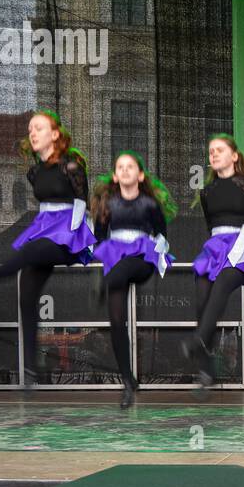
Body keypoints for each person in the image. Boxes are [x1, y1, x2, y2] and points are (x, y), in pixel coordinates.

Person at [0, 110, 95, 386]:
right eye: (30, 128)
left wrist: (73, 237)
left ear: (54, 135)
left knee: (30, 252)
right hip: (44, 226)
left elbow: (81, 202)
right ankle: (30, 370)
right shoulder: (34, 171)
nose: (32, 132)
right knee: (26, 295)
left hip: (66, 231)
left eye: (38, 127)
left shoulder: (71, 165)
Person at [185, 135, 244, 394]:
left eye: (220, 150)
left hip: (243, 248)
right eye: (211, 151)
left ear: (234, 156)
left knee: (222, 282)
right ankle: (206, 368)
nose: (214, 155)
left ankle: (198, 340)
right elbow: (211, 225)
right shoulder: (207, 191)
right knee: (201, 293)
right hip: (216, 246)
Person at [90, 152, 175, 409]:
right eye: (120, 167)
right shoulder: (108, 204)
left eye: (131, 166)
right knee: (116, 321)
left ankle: (104, 281)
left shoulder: (149, 204)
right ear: (115, 176)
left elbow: (162, 234)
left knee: (122, 270)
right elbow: (100, 236)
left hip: (142, 259)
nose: (125, 170)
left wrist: (153, 247)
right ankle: (128, 382)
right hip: (116, 259)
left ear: (139, 175)